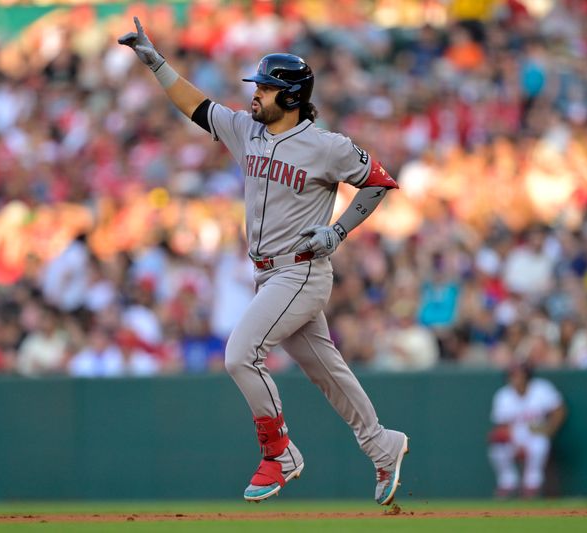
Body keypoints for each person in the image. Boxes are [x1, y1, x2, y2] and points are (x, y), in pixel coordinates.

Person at [119, 17, 409, 505]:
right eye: (257, 86)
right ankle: (381, 444)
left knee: (240, 354)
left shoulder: (326, 145)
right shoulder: (246, 130)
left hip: (301, 268)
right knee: (328, 371)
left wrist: (338, 230)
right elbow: (198, 106)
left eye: (266, 88)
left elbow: (378, 180)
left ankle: (280, 453)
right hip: (267, 273)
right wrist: (157, 63)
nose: (256, 94)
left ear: (291, 97)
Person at [487, 362, 566, 498]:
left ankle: (532, 485)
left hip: (536, 432)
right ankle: (508, 483)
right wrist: (513, 441)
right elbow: (502, 425)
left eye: (518, 375)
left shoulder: (541, 389)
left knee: (540, 444)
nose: (515, 378)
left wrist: (550, 429)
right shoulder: (503, 395)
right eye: (512, 375)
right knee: (497, 448)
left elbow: (559, 410)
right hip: (515, 435)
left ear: (527, 376)